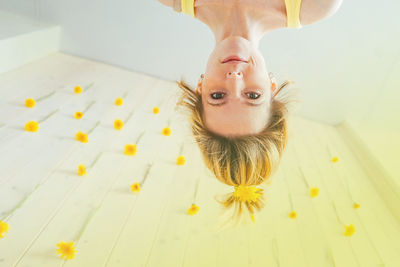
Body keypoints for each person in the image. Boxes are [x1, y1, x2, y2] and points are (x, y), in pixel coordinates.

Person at [158, 0, 343, 224]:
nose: (235, 79)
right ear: (271, 87)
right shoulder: (316, 5)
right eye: (253, 96)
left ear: (201, 87)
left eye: (217, 96)